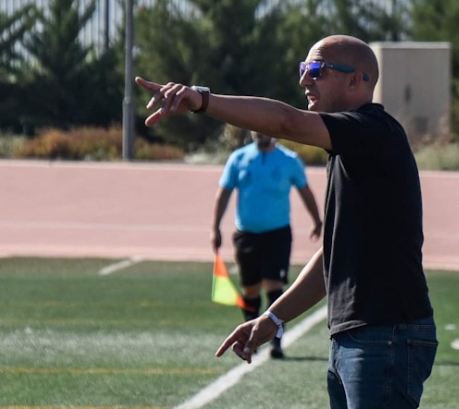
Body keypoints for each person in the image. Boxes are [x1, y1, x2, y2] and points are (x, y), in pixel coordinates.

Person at [136, 34, 437, 409]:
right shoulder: (353, 149)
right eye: (303, 69)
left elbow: (286, 122)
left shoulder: (373, 130)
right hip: (360, 335)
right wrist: (270, 320)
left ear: (356, 79)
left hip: (385, 333)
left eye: (316, 70)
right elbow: (333, 259)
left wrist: (202, 100)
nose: (304, 80)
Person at [211, 130, 322, 359]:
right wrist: (215, 228)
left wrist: (317, 220)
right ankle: (251, 336)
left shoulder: (289, 160)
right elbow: (223, 194)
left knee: (273, 286)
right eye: (255, 130)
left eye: (264, 130)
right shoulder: (239, 158)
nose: (259, 134)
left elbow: (305, 191)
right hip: (247, 235)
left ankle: (277, 342)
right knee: (250, 289)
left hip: (277, 235)